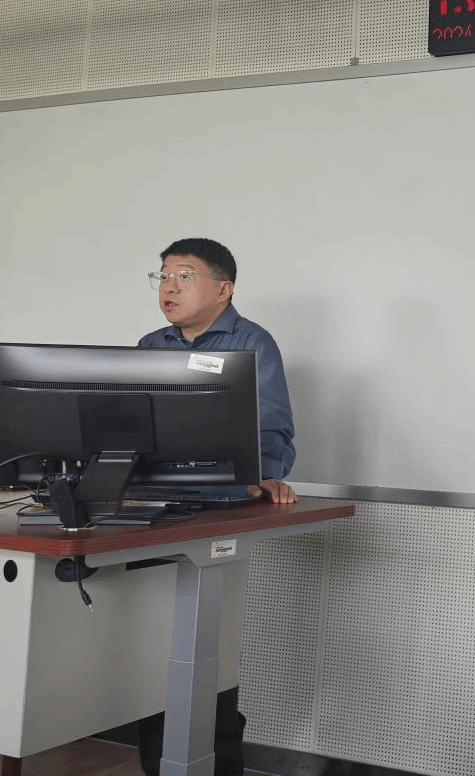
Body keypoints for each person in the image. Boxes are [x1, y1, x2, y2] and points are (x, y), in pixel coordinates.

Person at [135, 236, 296, 776]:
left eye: (183, 275)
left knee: (207, 651)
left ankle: (214, 761)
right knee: (152, 650)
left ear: (223, 288)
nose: (168, 287)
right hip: (154, 507)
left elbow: (273, 427)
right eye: (162, 276)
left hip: (220, 508)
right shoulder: (151, 345)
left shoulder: (252, 342)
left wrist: (263, 474)